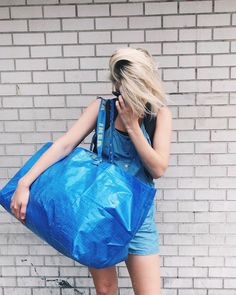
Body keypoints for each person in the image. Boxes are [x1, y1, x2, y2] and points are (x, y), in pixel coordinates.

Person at [10, 47, 172, 295]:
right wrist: (24, 182)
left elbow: (158, 168)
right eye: (121, 85)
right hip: (97, 214)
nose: (124, 91)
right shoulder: (102, 109)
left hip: (138, 217)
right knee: (106, 290)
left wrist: (133, 128)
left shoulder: (159, 115)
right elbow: (64, 145)